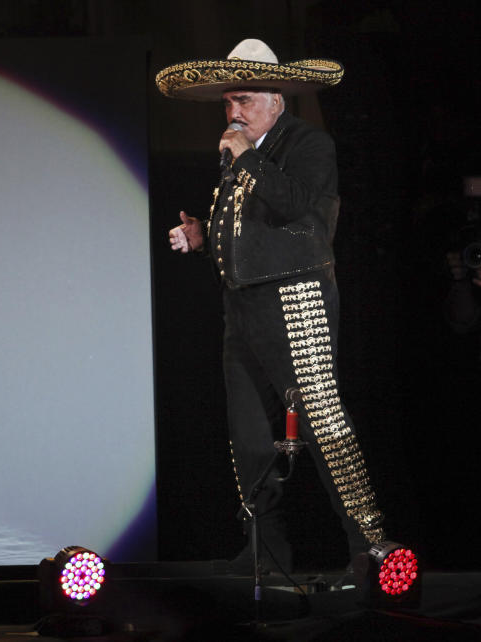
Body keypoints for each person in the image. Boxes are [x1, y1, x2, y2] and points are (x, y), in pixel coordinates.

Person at [156, 39, 387, 573]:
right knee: (249, 433)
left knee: (322, 418)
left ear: (276, 100)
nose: (234, 113)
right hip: (243, 306)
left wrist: (247, 155)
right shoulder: (242, 153)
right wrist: (200, 236)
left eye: (245, 100)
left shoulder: (307, 145)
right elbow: (249, 226)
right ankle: (266, 552)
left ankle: (370, 544)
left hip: (296, 297)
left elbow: (295, 207)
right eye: (228, 102)